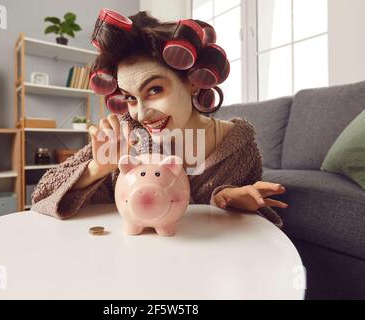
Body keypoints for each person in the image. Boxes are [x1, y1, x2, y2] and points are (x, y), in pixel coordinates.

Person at [31, 9, 288, 227]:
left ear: (192, 83)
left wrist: (228, 199)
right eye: (130, 98)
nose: (141, 114)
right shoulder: (125, 134)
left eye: (154, 90)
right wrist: (98, 169)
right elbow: (41, 196)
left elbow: (256, 212)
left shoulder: (239, 147)